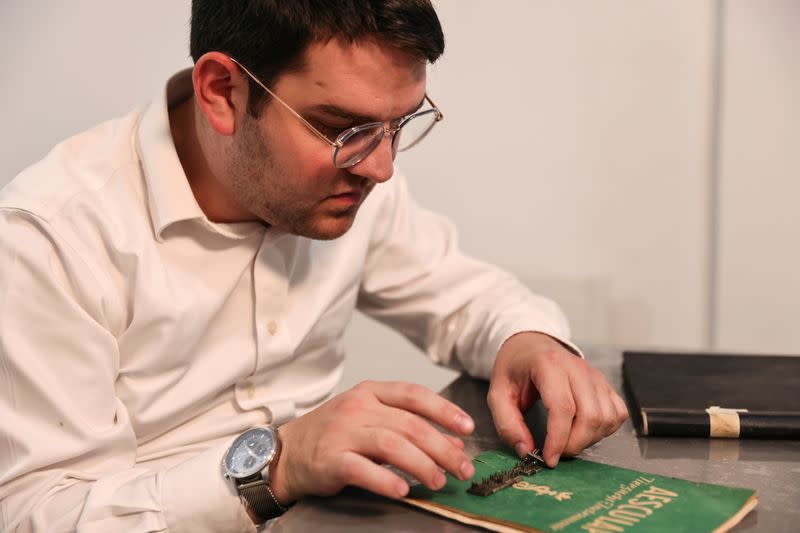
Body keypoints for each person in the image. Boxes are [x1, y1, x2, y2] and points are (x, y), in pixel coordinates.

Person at [0, 1, 627, 531]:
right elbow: (33, 511)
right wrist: (277, 464)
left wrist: (529, 341)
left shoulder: (347, 179)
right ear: (222, 91)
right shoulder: (48, 240)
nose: (380, 168)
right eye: (341, 128)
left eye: (399, 124)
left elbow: (466, 297)